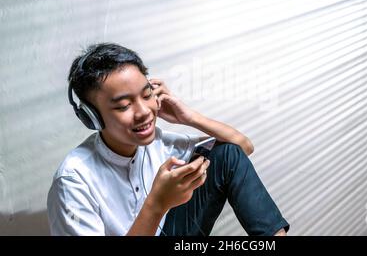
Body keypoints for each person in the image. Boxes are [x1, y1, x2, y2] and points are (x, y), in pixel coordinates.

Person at [47, 43, 289, 236]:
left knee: (227, 153)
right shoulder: (73, 181)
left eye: (146, 94)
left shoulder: (161, 143)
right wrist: (156, 204)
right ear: (92, 118)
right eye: (123, 105)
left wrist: (190, 117)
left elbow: (243, 147)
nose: (143, 111)